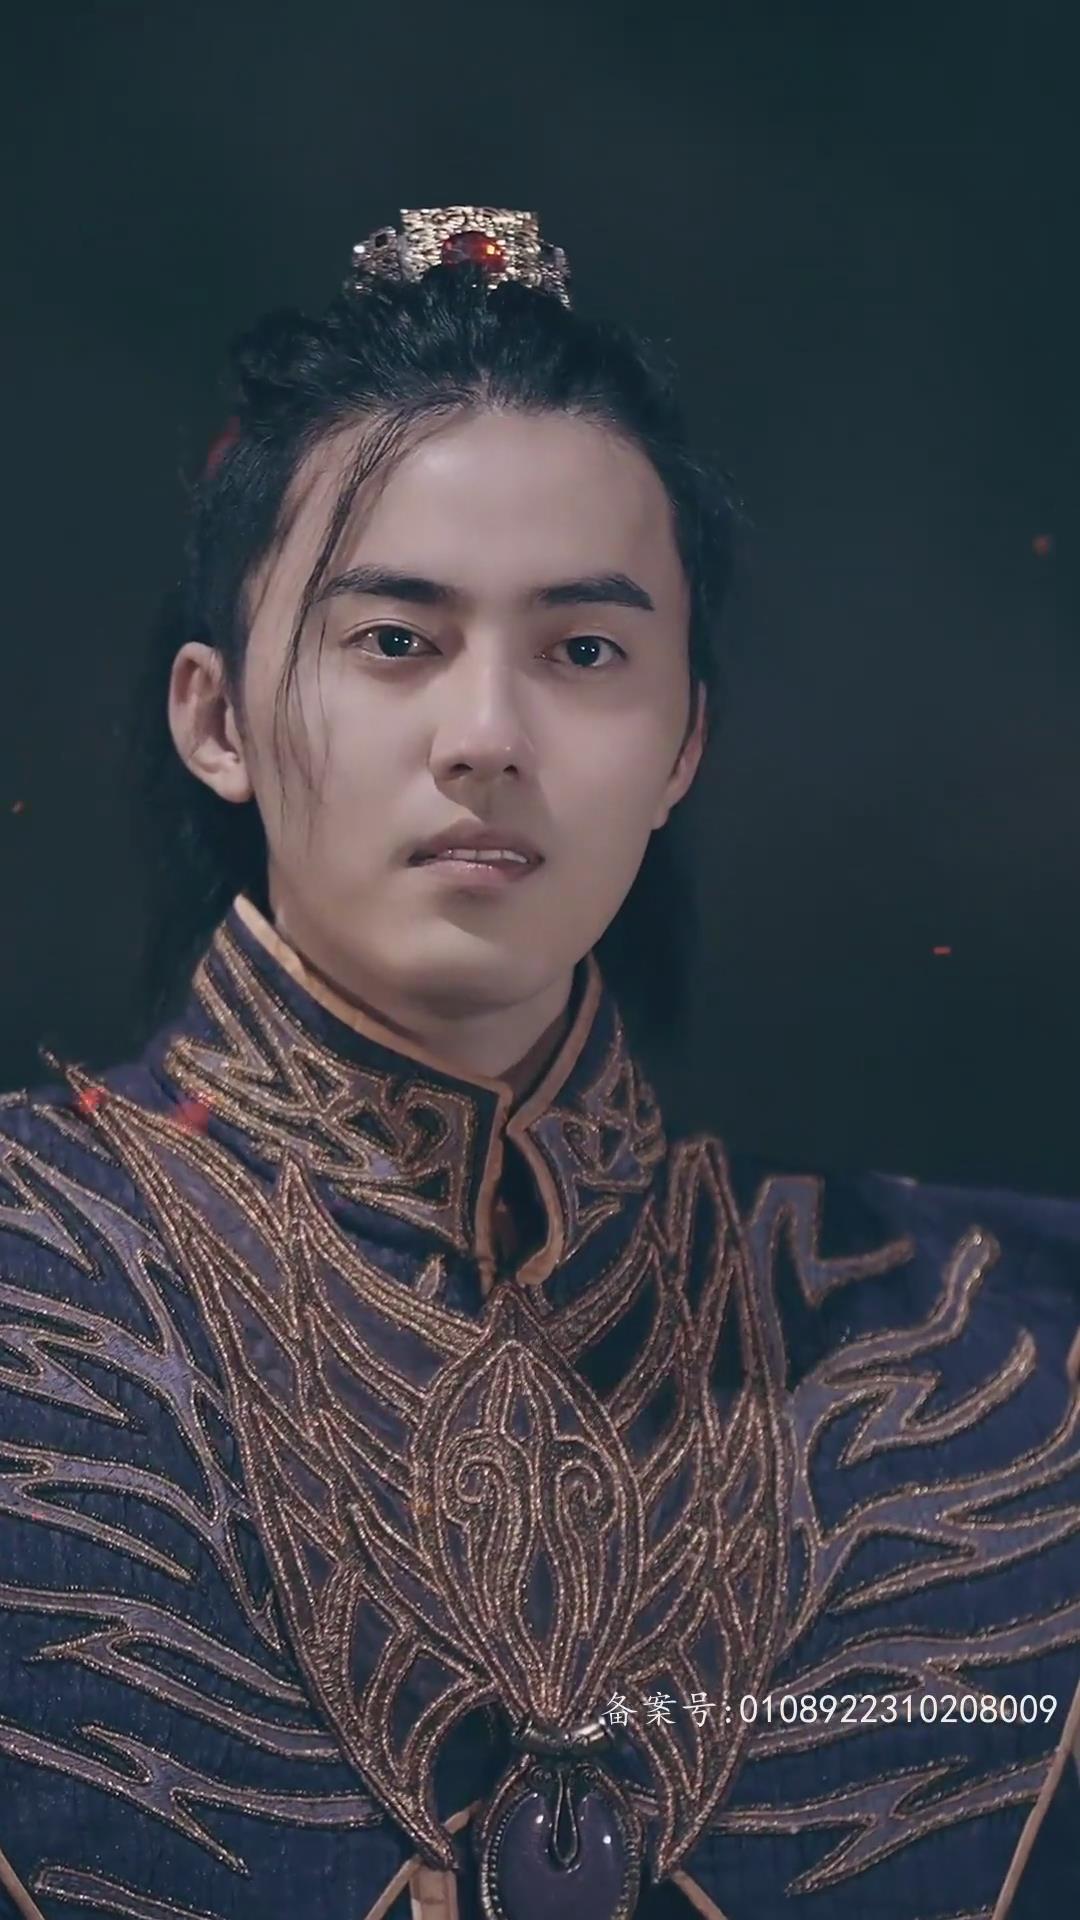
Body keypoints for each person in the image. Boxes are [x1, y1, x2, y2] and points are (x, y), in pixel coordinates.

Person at [0, 206, 1076, 1920]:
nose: (488, 736)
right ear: (214, 718)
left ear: (683, 743)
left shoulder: (998, 1349)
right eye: (394, 640)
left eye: (585, 651)